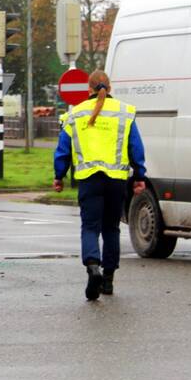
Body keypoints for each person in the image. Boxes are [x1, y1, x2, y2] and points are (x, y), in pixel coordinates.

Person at [53, 70, 147, 300]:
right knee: (111, 228)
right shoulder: (125, 113)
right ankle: (108, 280)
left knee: (90, 228)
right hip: (116, 182)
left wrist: (59, 176)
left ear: (89, 88)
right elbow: (136, 147)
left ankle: (93, 267)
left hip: (89, 180)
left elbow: (63, 149)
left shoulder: (75, 114)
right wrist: (139, 177)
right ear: (110, 87)